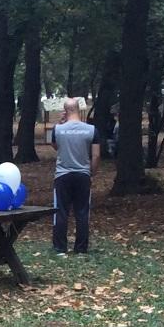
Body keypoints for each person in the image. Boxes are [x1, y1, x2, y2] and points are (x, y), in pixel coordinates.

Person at [52, 97, 100, 255]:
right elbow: (96, 156)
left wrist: (60, 124)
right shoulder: (91, 130)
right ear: (79, 109)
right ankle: (81, 248)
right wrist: (91, 172)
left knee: (61, 211)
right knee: (82, 212)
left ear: (65, 111)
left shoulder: (57, 130)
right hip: (82, 175)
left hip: (62, 175)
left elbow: (55, 146)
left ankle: (60, 248)